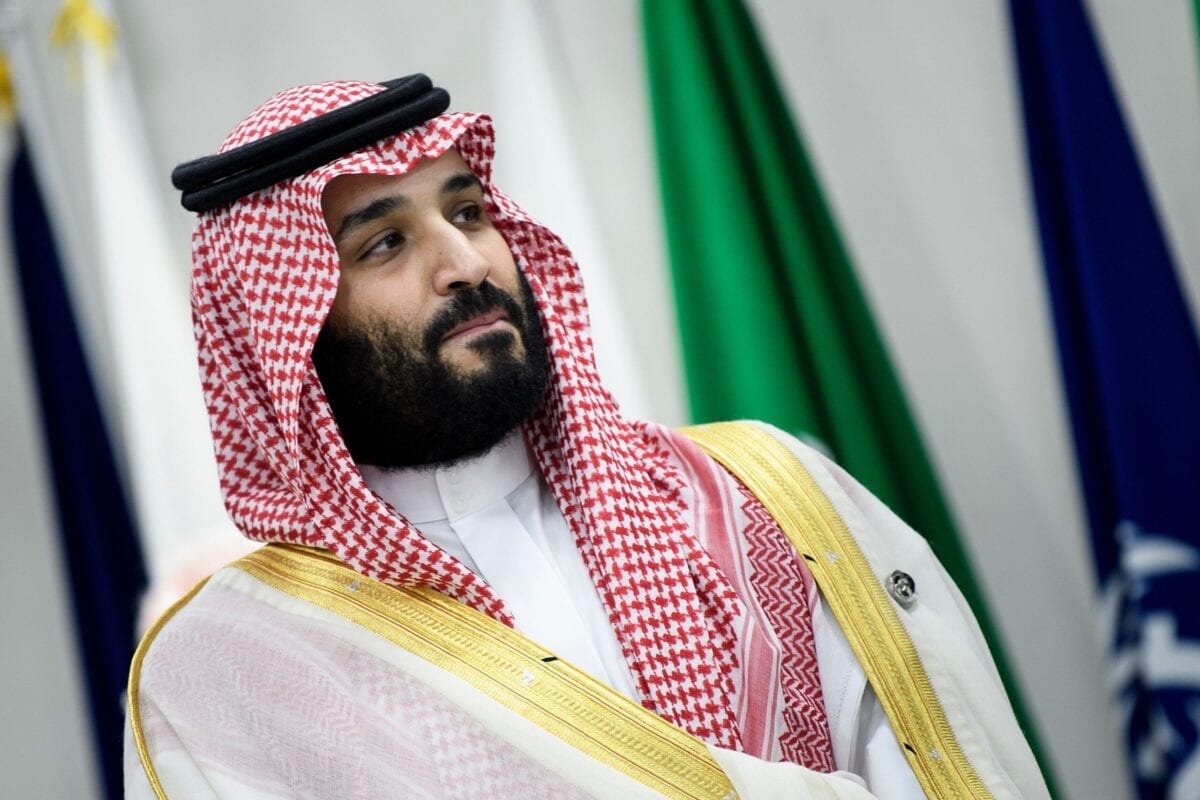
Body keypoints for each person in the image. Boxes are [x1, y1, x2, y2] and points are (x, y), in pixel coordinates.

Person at [125, 75, 1049, 799]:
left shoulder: (763, 496)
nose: (465, 263)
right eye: (384, 244)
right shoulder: (233, 672)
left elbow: (937, 770)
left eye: (468, 210)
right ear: (282, 339)